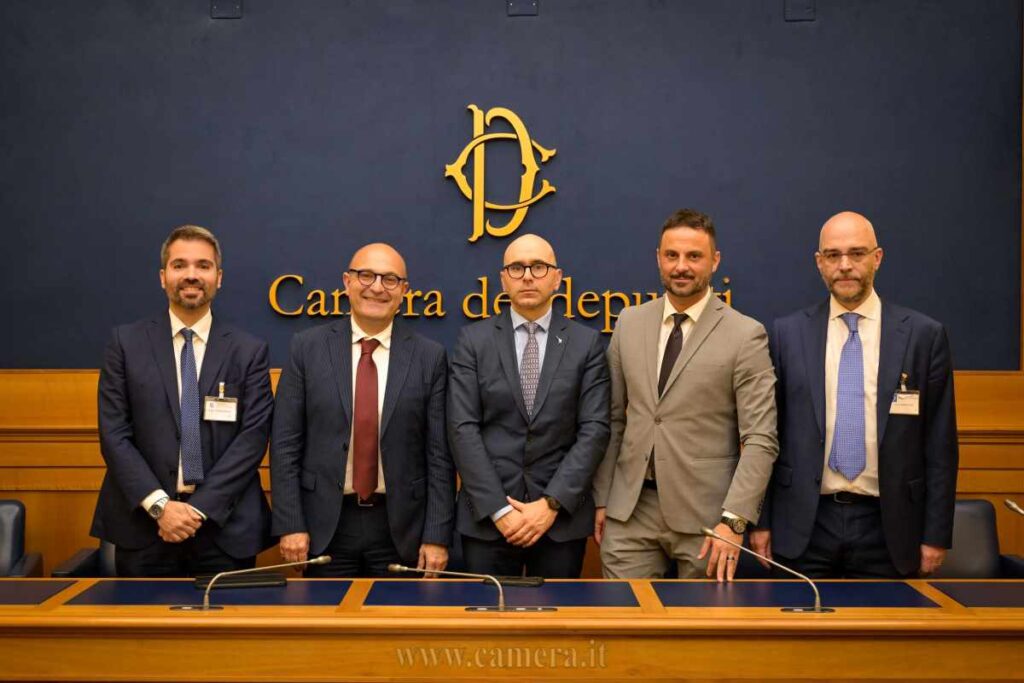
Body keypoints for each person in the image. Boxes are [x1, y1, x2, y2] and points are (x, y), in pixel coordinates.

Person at [750, 211, 958, 578]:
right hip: (804, 524)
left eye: (857, 253)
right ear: (819, 263)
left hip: (891, 527)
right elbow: (767, 435)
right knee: (798, 617)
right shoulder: (786, 334)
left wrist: (936, 534)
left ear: (877, 258)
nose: (844, 265)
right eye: (833, 255)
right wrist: (761, 520)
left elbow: (940, 445)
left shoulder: (923, 336)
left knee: (886, 618)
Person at [593, 208, 778, 581]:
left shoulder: (746, 335)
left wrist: (735, 520)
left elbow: (761, 438)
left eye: (694, 256)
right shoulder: (629, 323)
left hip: (708, 521)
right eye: (672, 255)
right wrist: (603, 498)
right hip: (630, 513)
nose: (681, 266)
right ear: (658, 258)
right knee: (622, 616)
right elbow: (611, 419)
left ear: (715, 261)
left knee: (699, 621)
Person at [92, 225, 274, 577]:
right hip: (144, 528)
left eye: (203, 265)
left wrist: (197, 510)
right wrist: (161, 507)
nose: (192, 275)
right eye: (180, 265)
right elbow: (114, 434)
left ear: (219, 277)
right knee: (143, 616)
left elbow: (252, 438)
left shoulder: (249, 350)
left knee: (224, 616)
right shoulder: (126, 344)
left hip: (224, 529)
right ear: (163, 277)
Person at [271, 243, 454, 577]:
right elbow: (285, 444)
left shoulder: (429, 357)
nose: (377, 287)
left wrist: (437, 536)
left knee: (399, 613)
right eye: (366, 275)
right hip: (324, 527)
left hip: (402, 530)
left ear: (404, 290)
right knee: (326, 612)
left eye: (390, 279)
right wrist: (291, 524)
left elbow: (439, 455)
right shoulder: (307, 348)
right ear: (347, 281)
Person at [448, 234, 610, 578]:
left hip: (559, 521)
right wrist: (498, 510)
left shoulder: (586, 344)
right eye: (516, 268)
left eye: (538, 267)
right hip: (488, 521)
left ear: (557, 278)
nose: (527, 276)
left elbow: (594, 430)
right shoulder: (473, 342)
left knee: (558, 613)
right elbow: (462, 429)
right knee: (486, 613)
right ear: (503, 279)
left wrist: (550, 504)